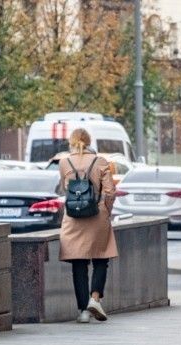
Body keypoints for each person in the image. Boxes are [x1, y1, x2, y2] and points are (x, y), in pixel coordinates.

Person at [58, 128, 118, 323]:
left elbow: (64, 189)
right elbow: (109, 192)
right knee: (101, 258)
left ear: (72, 142)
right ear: (89, 141)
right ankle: (95, 299)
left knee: (78, 263)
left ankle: (83, 311)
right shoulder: (100, 161)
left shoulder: (64, 162)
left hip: (73, 218)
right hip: (97, 215)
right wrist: (105, 211)